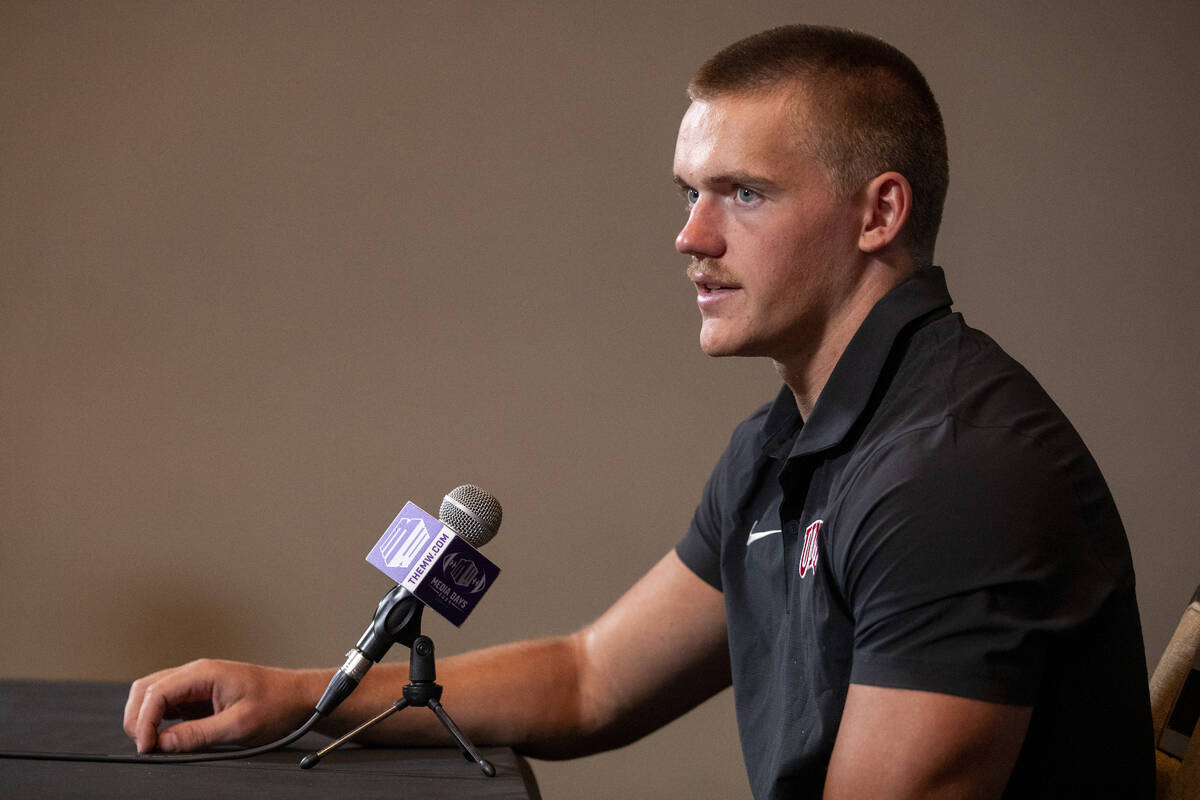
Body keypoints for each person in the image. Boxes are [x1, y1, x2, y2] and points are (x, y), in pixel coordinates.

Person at [123, 24, 1154, 798]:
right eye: (686, 192)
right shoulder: (788, 440)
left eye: (741, 192)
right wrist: (304, 693)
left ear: (880, 211)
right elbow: (591, 678)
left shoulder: (952, 473)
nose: (690, 236)